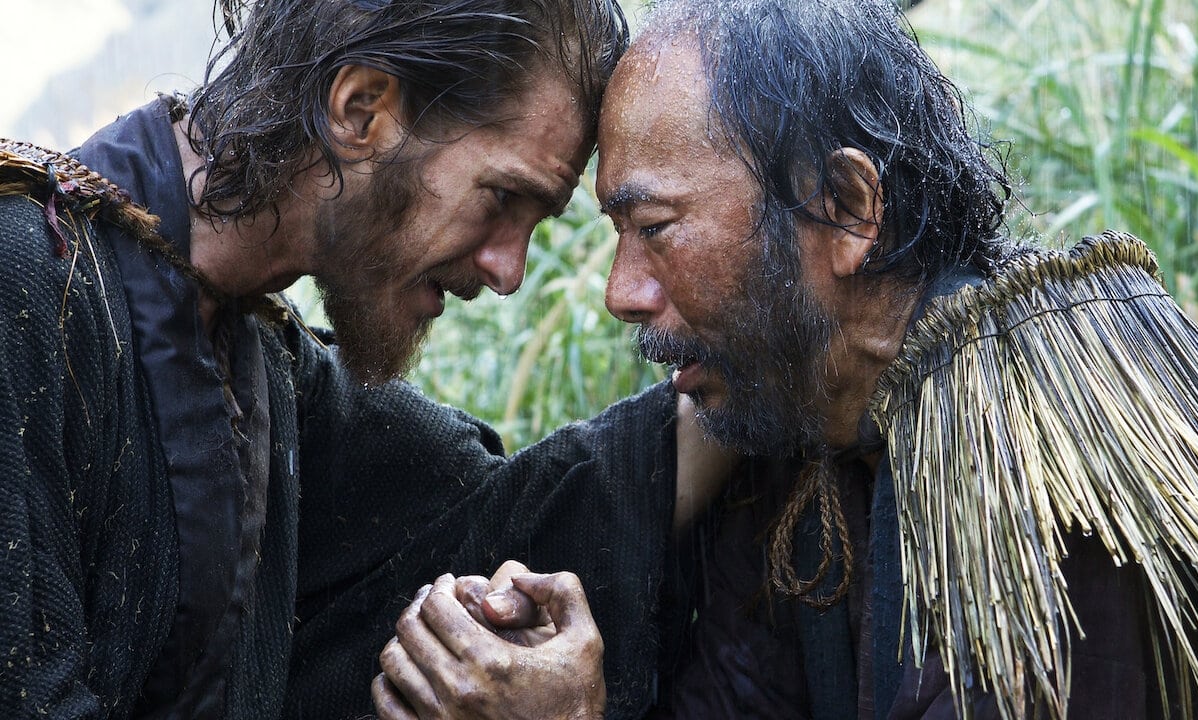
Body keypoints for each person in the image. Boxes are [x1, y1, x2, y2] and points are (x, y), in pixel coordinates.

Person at [379, 0, 1198, 717]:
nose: (622, 291)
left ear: (847, 207)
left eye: (654, 227)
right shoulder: (802, 429)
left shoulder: (1050, 464)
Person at [0, 1, 731, 718]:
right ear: (359, 112)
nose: (509, 271)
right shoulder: (26, 280)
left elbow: (503, 510)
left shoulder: (257, 351)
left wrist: (750, 356)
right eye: (503, 197)